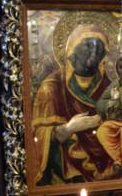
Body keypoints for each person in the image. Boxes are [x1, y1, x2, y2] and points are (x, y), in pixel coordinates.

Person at [32, 24, 114, 184]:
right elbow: (36, 135)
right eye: (88, 45)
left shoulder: (110, 87)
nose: (94, 51)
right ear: (72, 50)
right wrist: (68, 129)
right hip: (69, 172)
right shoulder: (51, 88)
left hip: (108, 163)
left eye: (99, 47)